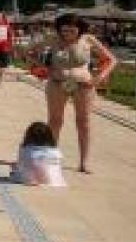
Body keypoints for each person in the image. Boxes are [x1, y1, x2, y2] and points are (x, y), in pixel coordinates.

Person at [35, 13, 115, 173]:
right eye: (64, 30)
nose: (67, 34)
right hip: (57, 83)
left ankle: (84, 162)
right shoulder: (53, 39)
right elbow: (27, 51)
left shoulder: (88, 40)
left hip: (83, 85)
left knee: (83, 122)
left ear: (79, 29)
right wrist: (39, 68)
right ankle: (51, 158)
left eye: (72, 31)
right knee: (55, 121)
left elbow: (111, 59)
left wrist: (100, 77)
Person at [12, 122, 67, 188]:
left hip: (30, 180)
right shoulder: (56, 152)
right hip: (56, 182)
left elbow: (20, 164)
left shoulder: (25, 149)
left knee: (15, 169)